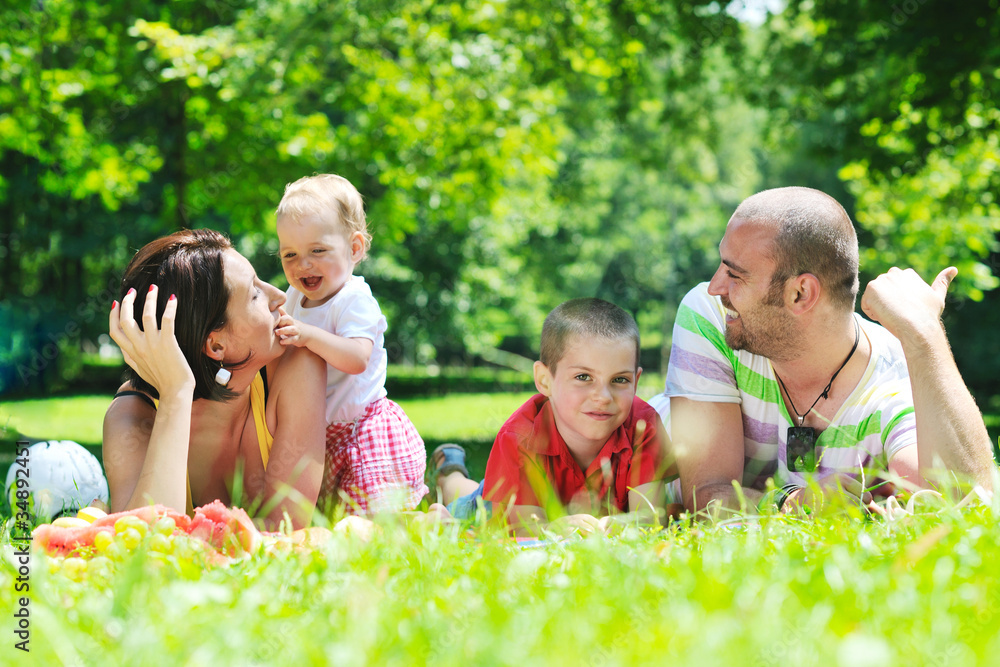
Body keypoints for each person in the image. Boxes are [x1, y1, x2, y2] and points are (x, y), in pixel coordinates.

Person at [649, 186, 995, 515]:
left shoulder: (895, 378)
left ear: (800, 294)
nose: (715, 287)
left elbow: (967, 503)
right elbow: (708, 492)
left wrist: (925, 335)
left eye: (734, 275)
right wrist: (794, 504)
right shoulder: (713, 318)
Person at [103, 229, 327, 530]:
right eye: (255, 294)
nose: (279, 295)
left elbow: (288, 533)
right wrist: (176, 394)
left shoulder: (298, 366)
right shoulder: (132, 415)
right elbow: (145, 544)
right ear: (216, 346)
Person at [432, 298, 677, 536]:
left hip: (567, 511)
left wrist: (622, 524)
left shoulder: (643, 426)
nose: (603, 396)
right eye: (583, 377)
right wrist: (553, 529)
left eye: (620, 380)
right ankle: (449, 471)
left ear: (636, 381)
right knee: (466, 504)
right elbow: (520, 531)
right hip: (508, 501)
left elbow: (650, 519)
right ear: (544, 380)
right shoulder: (519, 437)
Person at [273, 174, 428, 514]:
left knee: (376, 521)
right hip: (324, 432)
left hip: (363, 430)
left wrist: (308, 335)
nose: (304, 264)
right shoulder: (295, 297)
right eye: (290, 255)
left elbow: (358, 357)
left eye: (318, 250)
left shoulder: (354, 299)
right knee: (330, 518)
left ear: (354, 248)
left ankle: (431, 517)